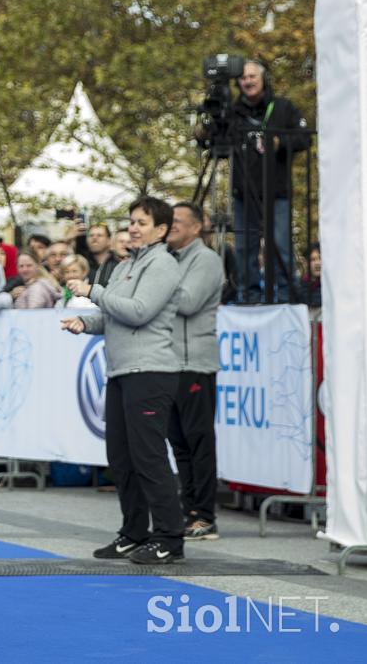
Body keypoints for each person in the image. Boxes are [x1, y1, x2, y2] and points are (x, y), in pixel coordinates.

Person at [61, 196, 184, 564]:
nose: (133, 227)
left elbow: (139, 312)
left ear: (161, 230)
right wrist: (86, 323)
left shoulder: (162, 264)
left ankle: (169, 537)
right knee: (122, 458)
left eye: (142, 222)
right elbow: (114, 316)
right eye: (132, 221)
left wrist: (93, 292)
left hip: (150, 371)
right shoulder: (128, 264)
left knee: (149, 458)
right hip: (122, 371)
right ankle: (133, 532)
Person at [196, 59, 311, 303]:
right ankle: (248, 294)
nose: (247, 82)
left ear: (263, 78)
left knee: (280, 245)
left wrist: (280, 142)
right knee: (244, 247)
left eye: (252, 77)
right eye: (243, 78)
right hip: (243, 191)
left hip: (276, 190)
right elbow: (212, 139)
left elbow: (305, 139)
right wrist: (203, 129)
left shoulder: (282, 107)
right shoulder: (233, 111)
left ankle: (284, 293)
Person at [166, 202, 224, 541]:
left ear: (198, 226)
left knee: (199, 441)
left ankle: (205, 515)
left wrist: (156, 282)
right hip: (172, 362)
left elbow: (187, 302)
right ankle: (188, 510)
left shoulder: (206, 260)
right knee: (180, 444)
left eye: (177, 221)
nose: (170, 226)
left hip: (195, 363)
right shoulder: (173, 260)